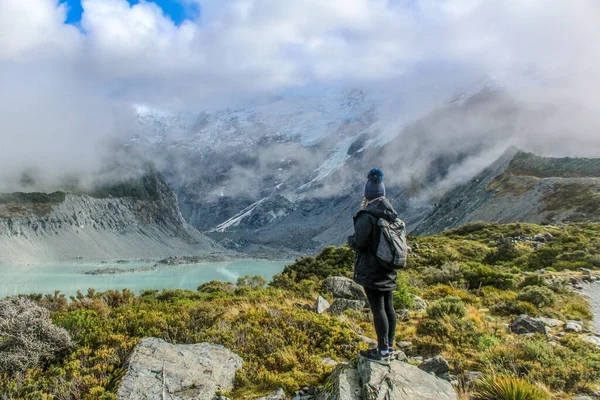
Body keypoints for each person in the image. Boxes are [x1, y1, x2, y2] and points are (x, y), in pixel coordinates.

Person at [347, 168, 399, 364]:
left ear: (367, 194)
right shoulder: (390, 213)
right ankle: (389, 347)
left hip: (372, 269)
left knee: (378, 309)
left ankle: (382, 351)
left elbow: (360, 243)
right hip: (389, 266)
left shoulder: (367, 214)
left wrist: (350, 240)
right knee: (388, 307)